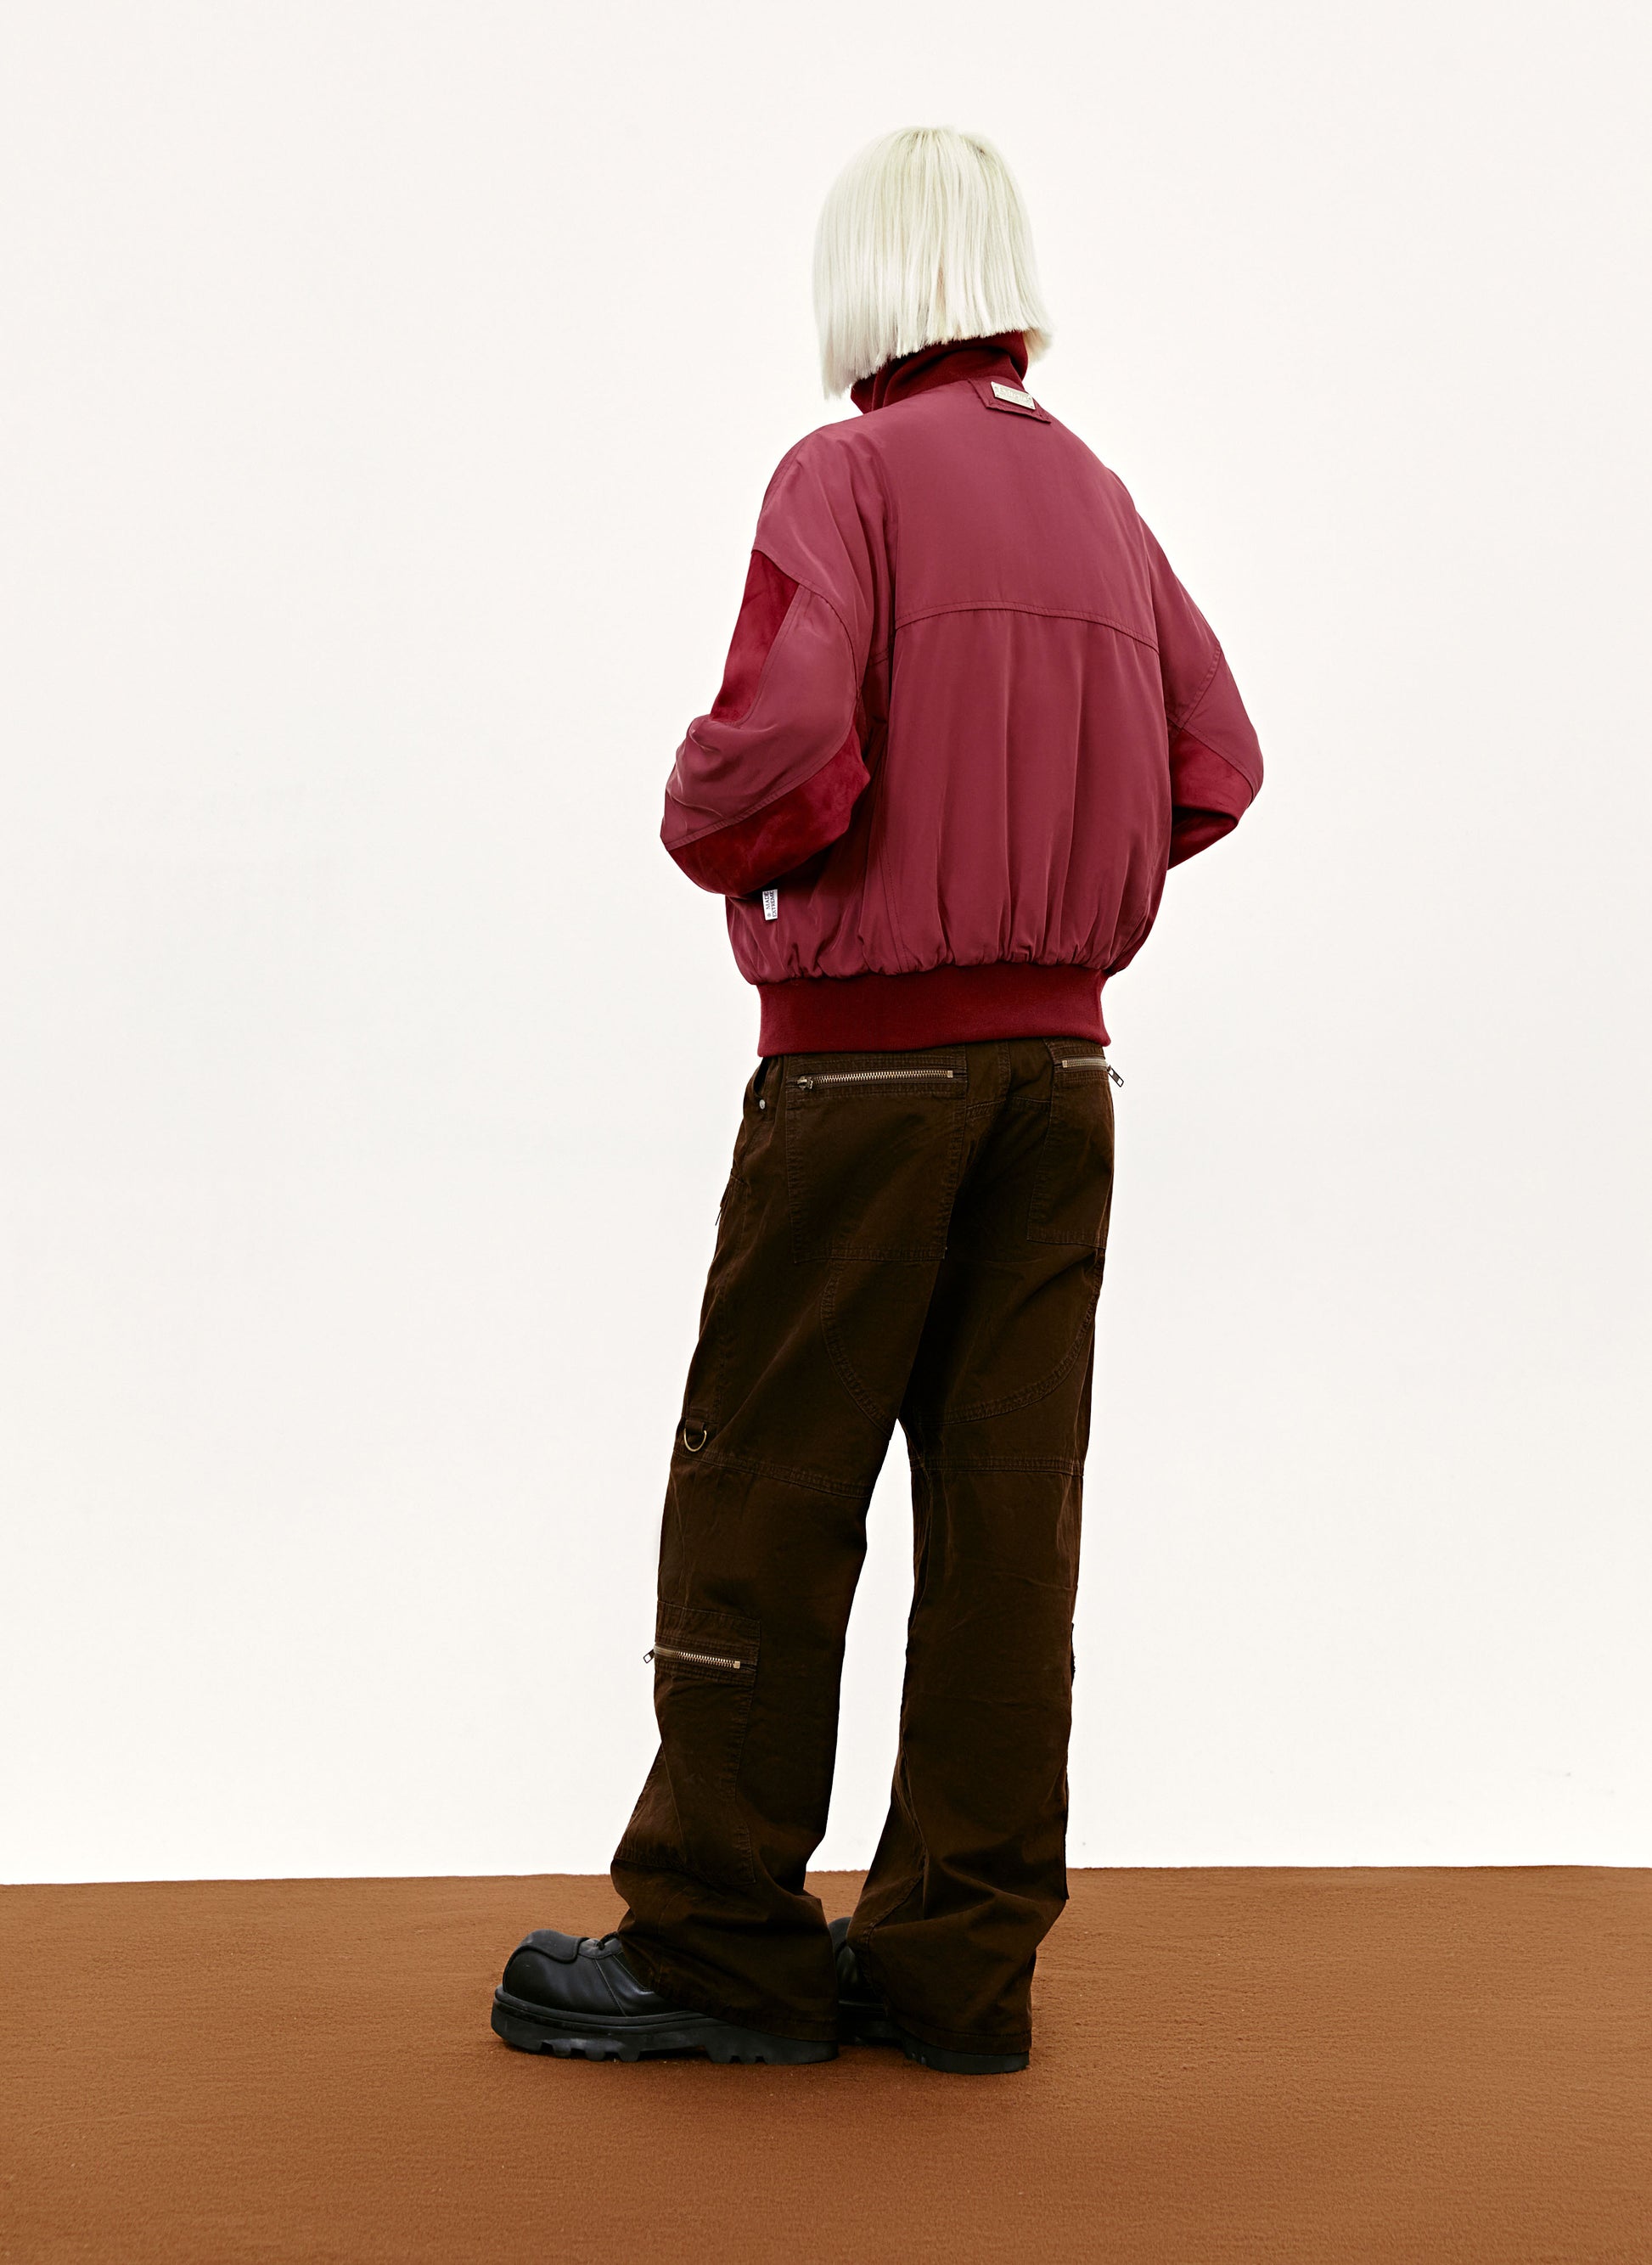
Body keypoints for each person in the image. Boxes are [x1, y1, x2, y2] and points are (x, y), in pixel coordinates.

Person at [491, 125, 1262, 2076]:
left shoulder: (841, 475)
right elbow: (1217, 758)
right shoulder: (1095, 495)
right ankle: (953, 1970)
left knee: (765, 1491)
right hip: (1060, 1082)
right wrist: (1064, 876)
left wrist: (720, 822)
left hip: (861, 1077)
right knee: (1007, 1525)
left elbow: (778, 748)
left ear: (864, 278)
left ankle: (719, 1947)